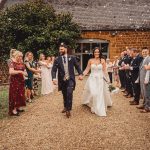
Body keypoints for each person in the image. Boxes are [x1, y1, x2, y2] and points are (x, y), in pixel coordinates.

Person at [51, 43, 83, 118]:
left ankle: (68, 109)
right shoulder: (57, 59)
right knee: (64, 94)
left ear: (66, 49)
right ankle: (65, 106)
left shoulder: (72, 58)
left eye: (61, 49)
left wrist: (80, 74)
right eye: (59, 49)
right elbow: (54, 70)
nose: (60, 51)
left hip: (70, 79)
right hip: (62, 80)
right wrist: (54, 78)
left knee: (69, 93)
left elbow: (77, 66)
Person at [82, 47, 112, 117]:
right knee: (93, 93)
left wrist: (108, 80)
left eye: (98, 52)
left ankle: (96, 108)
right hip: (92, 79)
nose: (96, 53)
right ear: (93, 53)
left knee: (99, 94)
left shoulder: (102, 60)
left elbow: (105, 71)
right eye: (95, 52)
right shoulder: (90, 60)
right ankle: (93, 104)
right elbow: (87, 69)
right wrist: (82, 76)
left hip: (100, 79)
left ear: (100, 52)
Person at [9, 51, 26, 116]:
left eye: (21, 56)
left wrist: (24, 75)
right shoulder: (11, 62)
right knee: (15, 94)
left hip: (21, 80)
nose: (20, 57)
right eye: (19, 56)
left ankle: (18, 107)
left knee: (20, 94)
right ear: (15, 56)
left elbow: (24, 71)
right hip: (14, 81)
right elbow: (11, 72)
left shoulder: (21, 62)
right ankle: (13, 110)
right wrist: (20, 72)